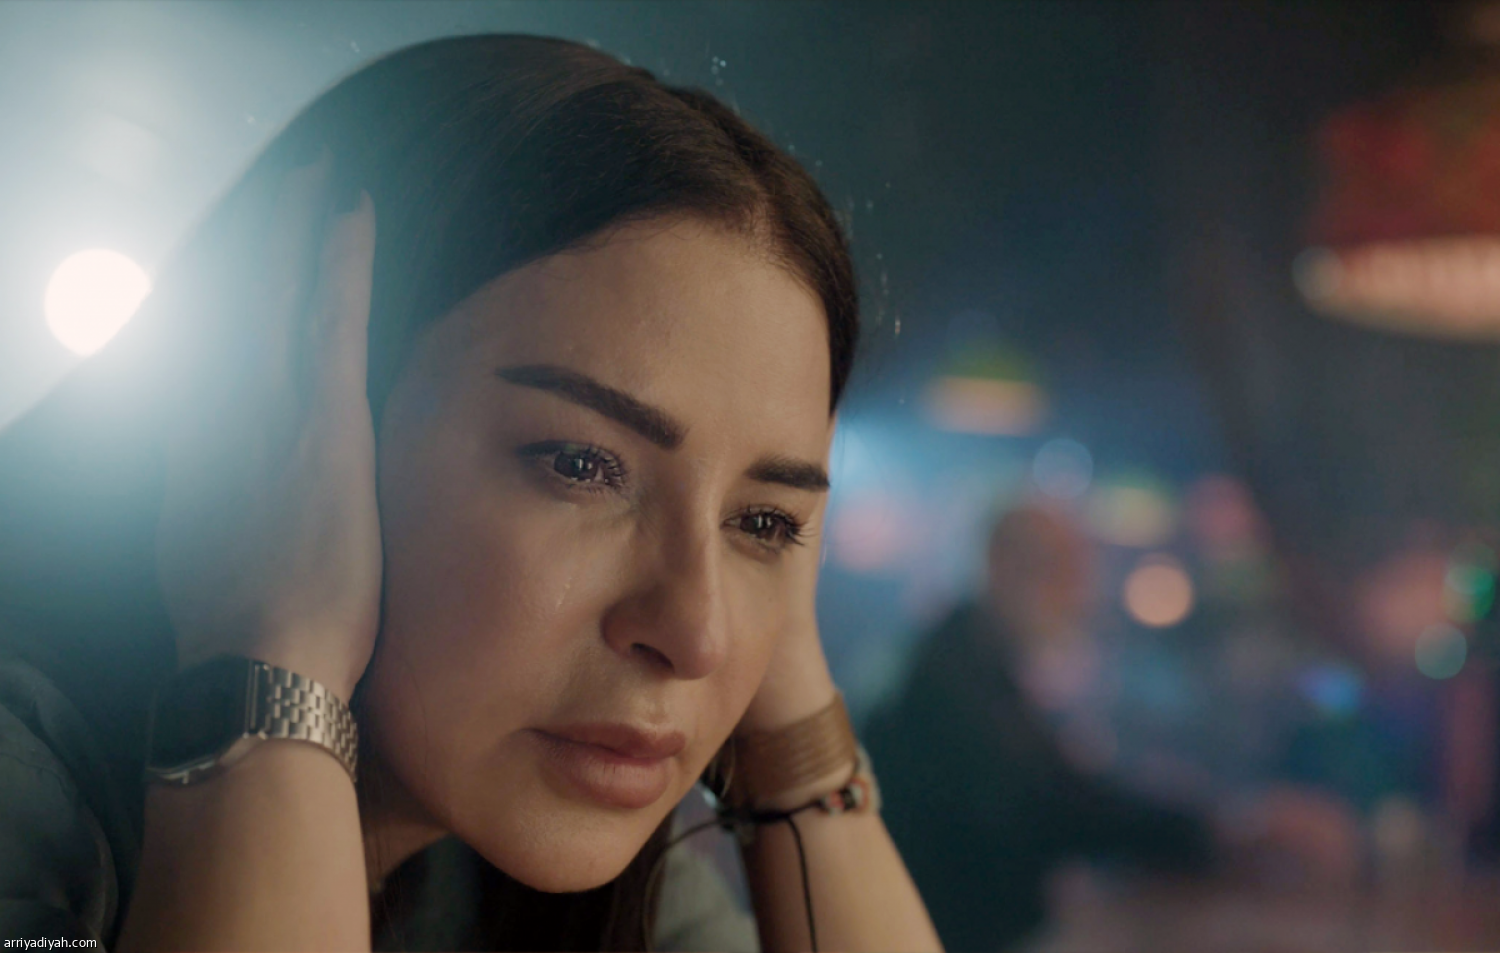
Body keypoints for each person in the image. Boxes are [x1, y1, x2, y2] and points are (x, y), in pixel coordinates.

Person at [0, 35, 942, 952]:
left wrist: (787, 722)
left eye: (765, 520)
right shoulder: (31, 803)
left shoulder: (516, 875)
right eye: (580, 464)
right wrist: (274, 656)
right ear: (275, 426)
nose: (698, 635)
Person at [863, 504, 1211, 951]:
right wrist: (1201, 835)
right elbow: (1050, 806)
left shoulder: (963, 658)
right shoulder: (953, 679)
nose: (1079, 596)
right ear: (1004, 567)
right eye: (1062, 572)